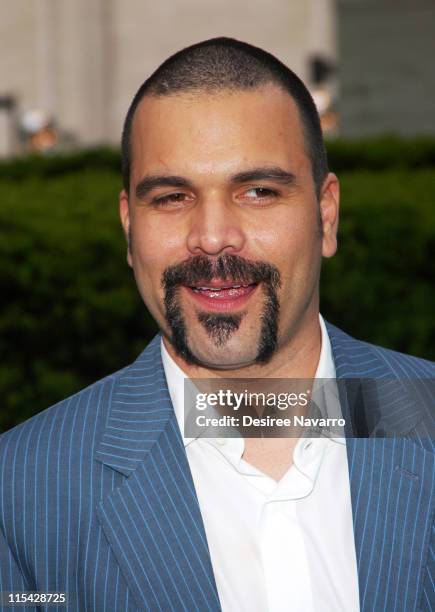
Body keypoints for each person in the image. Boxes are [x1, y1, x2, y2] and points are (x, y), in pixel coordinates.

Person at [0, 38, 433, 612]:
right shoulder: (23, 491)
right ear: (129, 227)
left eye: (257, 191)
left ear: (326, 216)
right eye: (173, 196)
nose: (211, 236)